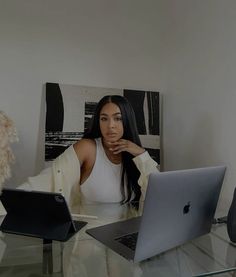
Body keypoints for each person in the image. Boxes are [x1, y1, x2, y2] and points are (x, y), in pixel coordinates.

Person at [19, 95, 158, 209]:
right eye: (104, 119)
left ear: (127, 121)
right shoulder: (88, 148)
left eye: (118, 118)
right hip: (90, 239)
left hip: (125, 238)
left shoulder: (134, 157)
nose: (110, 125)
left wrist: (141, 154)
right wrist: (8, 202)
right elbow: (51, 178)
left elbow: (158, 194)